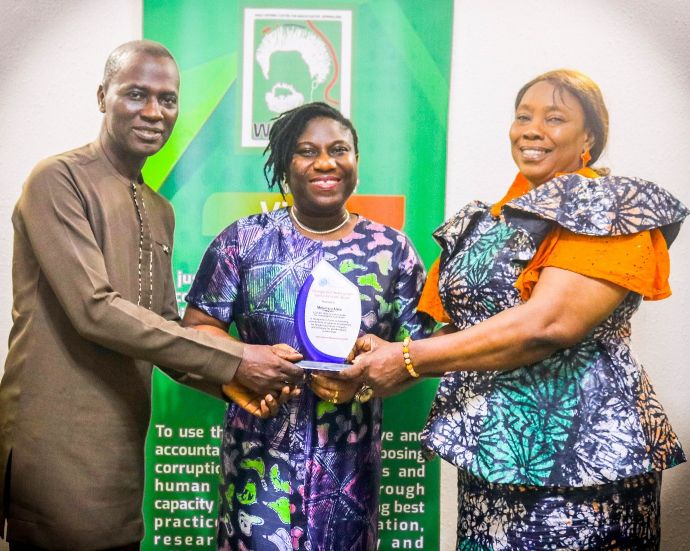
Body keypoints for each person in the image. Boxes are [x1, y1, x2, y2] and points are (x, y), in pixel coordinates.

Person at [343, 70, 688, 549]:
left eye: (555, 117)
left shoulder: (610, 206)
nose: (531, 128)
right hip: (491, 458)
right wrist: (392, 357)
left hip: (581, 463)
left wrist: (407, 360)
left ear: (590, 136)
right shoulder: (485, 220)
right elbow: (459, 331)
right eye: (523, 116)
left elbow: (548, 324)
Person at [0, 40, 303, 551]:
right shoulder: (58, 180)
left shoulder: (160, 209)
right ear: (102, 97)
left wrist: (233, 386)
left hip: (120, 446)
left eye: (167, 99)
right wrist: (237, 358)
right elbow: (95, 311)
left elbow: (162, 325)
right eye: (136, 94)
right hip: (52, 442)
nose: (153, 112)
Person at [182, 102, 432, 551]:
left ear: (356, 161)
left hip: (349, 473)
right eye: (306, 151)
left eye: (339, 149)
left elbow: (421, 350)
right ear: (284, 165)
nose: (325, 162)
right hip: (258, 466)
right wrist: (244, 359)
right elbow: (195, 330)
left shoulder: (391, 250)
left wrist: (370, 379)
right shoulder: (244, 240)